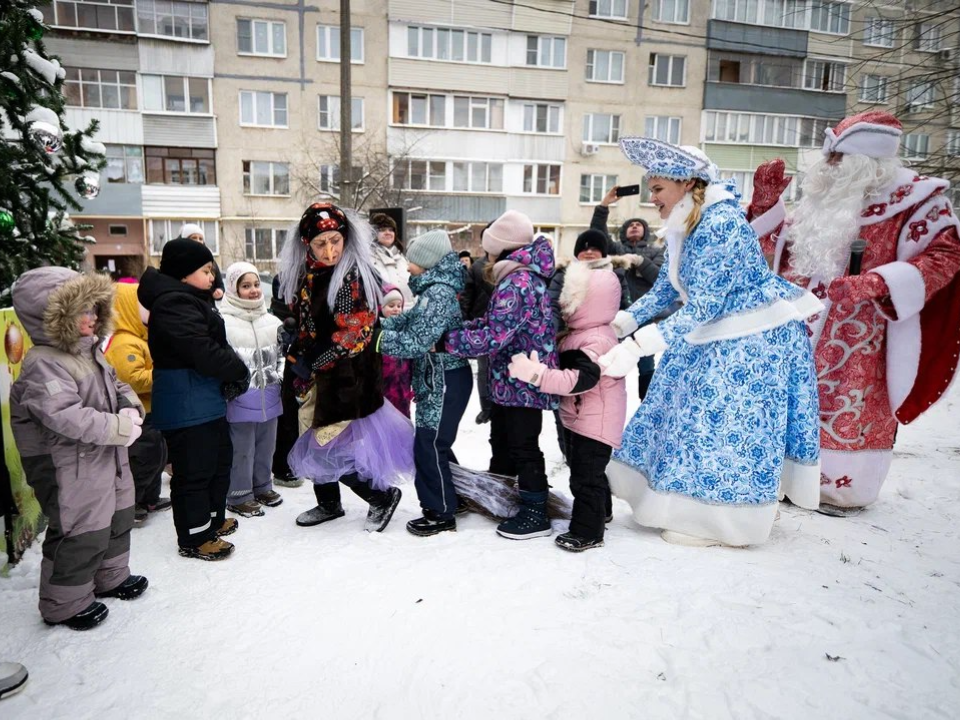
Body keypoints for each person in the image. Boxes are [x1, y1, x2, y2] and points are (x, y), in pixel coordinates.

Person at [599, 138, 822, 547]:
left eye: (658, 189)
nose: (652, 198)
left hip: (752, 339)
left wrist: (637, 346)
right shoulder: (686, 224)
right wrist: (624, 321)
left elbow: (705, 303)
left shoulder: (721, 223)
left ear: (686, 184)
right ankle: (680, 506)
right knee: (683, 418)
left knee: (724, 428)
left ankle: (724, 522)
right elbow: (669, 288)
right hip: (716, 334)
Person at [748, 110, 960, 516]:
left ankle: (839, 489)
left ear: (867, 163)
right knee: (793, 401)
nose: (827, 167)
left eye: (837, 159)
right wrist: (765, 204)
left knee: (849, 405)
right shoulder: (823, 202)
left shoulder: (919, 202)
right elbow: (774, 256)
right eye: (828, 157)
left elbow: (947, 257)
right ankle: (785, 478)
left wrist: (880, 283)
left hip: (865, 333)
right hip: (803, 328)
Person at [11, 268, 148, 630]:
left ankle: (111, 576)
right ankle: (65, 603)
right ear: (52, 317)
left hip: (107, 457)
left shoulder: (91, 352)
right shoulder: (43, 362)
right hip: (67, 466)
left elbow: (117, 384)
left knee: (118, 517)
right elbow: (63, 416)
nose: (91, 317)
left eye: (94, 308)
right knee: (80, 529)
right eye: (81, 311)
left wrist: (130, 406)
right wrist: (117, 426)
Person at [280, 203, 409, 532]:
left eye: (335, 240)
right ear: (306, 244)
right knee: (312, 433)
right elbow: (310, 324)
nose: (330, 250)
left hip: (347, 378)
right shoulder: (310, 273)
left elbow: (354, 332)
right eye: (320, 243)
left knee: (327, 444)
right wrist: (295, 344)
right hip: (319, 377)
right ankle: (328, 502)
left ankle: (381, 496)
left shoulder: (355, 276)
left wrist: (311, 362)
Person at [440, 210, 559, 540]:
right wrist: (461, 328)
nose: (484, 252)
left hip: (523, 378)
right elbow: (493, 323)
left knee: (524, 444)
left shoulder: (518, 282)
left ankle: (535, 511)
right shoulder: (517, 276)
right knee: (504, 438)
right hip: (512, 377)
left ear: (502, 246)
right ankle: (505, 492)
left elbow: (495, 335)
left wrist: (445, 341)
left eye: (489, 245)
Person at [138, 239, 250, 561]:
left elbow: (215, 344)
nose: (212, 276)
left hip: (203, 399)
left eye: (212, 270)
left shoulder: (193, 300)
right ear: (184, 274)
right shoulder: (173, 303)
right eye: (205, 270)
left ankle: (212, 520)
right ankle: (195, 536)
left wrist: (233, 372)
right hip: (186, 402)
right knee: (195, 471)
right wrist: (237, 370)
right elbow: (201, 350)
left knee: (218, 461)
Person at [510, 262, 626, 551]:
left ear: (590, 303)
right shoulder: (581, 333)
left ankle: (588, 530)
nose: (564, 305)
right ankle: (601, 511)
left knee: (586, 477)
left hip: (594, 420)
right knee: (588, 471)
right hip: (582, 416)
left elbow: (582, 380)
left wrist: (538, 375)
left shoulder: (596, 339)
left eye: (572, 299)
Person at [374, 230, 473, 536]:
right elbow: (411, 320)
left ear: (427, 262)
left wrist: (375, 339)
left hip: (444, 378)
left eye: (412, 260)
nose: (406, 265)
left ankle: (440, 512)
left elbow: (416, 341)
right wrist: (378, 324)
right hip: (437, 377)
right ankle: (453, 498)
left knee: (429, 444)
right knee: (435, 442)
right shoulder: (431, 291)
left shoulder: (438, 293)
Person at [103, 282, 171, 525]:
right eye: (145, 305)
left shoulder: (141, 338)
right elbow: (131, 379)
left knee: (158, 454)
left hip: (153, 410)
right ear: (130, 308)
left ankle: (150, 497)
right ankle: (132, 503)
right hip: (140, 414)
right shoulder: (125, 343)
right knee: (143, 458)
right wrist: (162, 375)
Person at [221, 262, 285, 518]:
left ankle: (262, 486)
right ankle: (239, 494)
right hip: (240, 397)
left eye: (256, 284)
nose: (254, 290)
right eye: (246, 286)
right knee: (242, 449)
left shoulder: (272, 321)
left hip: (269, 395)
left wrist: (277, 379)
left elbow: (281, 356)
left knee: (266, 445)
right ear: (233, 289)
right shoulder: (223, 322)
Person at [591, 188, 666, 399]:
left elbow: (659, 279)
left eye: (638, 225)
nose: (634, 226)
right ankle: (608, 400)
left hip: (643, 318)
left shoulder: (655, 252)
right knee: (612, 362)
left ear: (645, 231)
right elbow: (597, 233)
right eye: (630, 225)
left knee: (646, 363)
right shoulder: (615, 250)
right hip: (615, 317)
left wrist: (641, 263)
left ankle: (648, 403)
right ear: (624, 231)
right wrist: (604, 204)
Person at [270, 272, 304, 488]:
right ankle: (283, 466)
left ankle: (294, 462)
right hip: (281, 372)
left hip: (300, 367)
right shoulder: (276, 320)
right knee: (286, 418)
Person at [459, 245, 495, 424]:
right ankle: (486, 406)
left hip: (504, 323)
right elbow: (467, 295)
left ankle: (499, 405)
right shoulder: (477, 267)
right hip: (480, 322)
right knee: (484, 368)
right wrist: (465, 320)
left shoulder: (511, 264)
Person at [379, 284, 414, 418]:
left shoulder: (404, 328)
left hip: (403, 380)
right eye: (391, 305)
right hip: (384, 381)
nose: (396, 309)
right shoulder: (378, 329)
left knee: (402, 411)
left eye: (399, 306)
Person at [369, 212, 412, 307]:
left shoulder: (403, 258)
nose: (388, 232)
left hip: (409, 312)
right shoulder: (369, 259)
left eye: (391, 230)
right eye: (382, 230)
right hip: (383, 316)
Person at [178, 222, 225, 301]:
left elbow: (219, 284)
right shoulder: (178, 260)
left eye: (201, 238)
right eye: (194, 238)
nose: (198, 241)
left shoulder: (210, 260)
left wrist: (219, 292)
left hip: (207, 303)